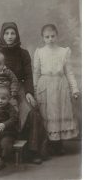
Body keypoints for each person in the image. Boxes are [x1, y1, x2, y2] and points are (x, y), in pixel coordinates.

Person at [0, 22, 46, 164]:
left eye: (12, 33)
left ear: (17, 35)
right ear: (1, 34)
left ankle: (32, 151)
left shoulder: (23, 53)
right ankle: (1, 150)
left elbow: (28, 75)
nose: (9, 36)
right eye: (6, 33)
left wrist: (29, 92)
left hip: (18, 89)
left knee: (32, 112)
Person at [33, 24, 80, 155]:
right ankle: (47, 144)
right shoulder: (40, 52)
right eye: (47, 37)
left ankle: (58, 144)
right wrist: (35, 90)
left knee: (59, 113)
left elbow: (69, 72)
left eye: (53, 36)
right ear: (43, 38)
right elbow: (36, 72)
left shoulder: (64, 51)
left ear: (57, 36)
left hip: (60, 86)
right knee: (47, 114)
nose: (50, 39)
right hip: (45, 86)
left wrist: (74, 89)